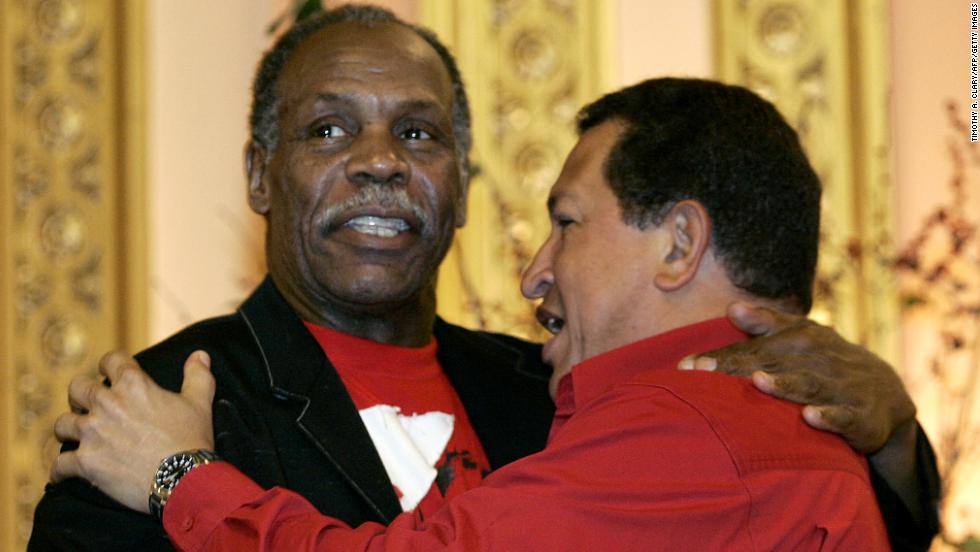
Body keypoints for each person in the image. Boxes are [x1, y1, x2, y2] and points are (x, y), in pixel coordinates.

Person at [30, 5, 938, 551]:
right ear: (261, 176)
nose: (379, 163)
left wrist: (890, 426)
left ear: (462, 186)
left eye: (419, 134)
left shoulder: (571, 391)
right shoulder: (148, 416)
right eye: (329, 130)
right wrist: (181, 470)